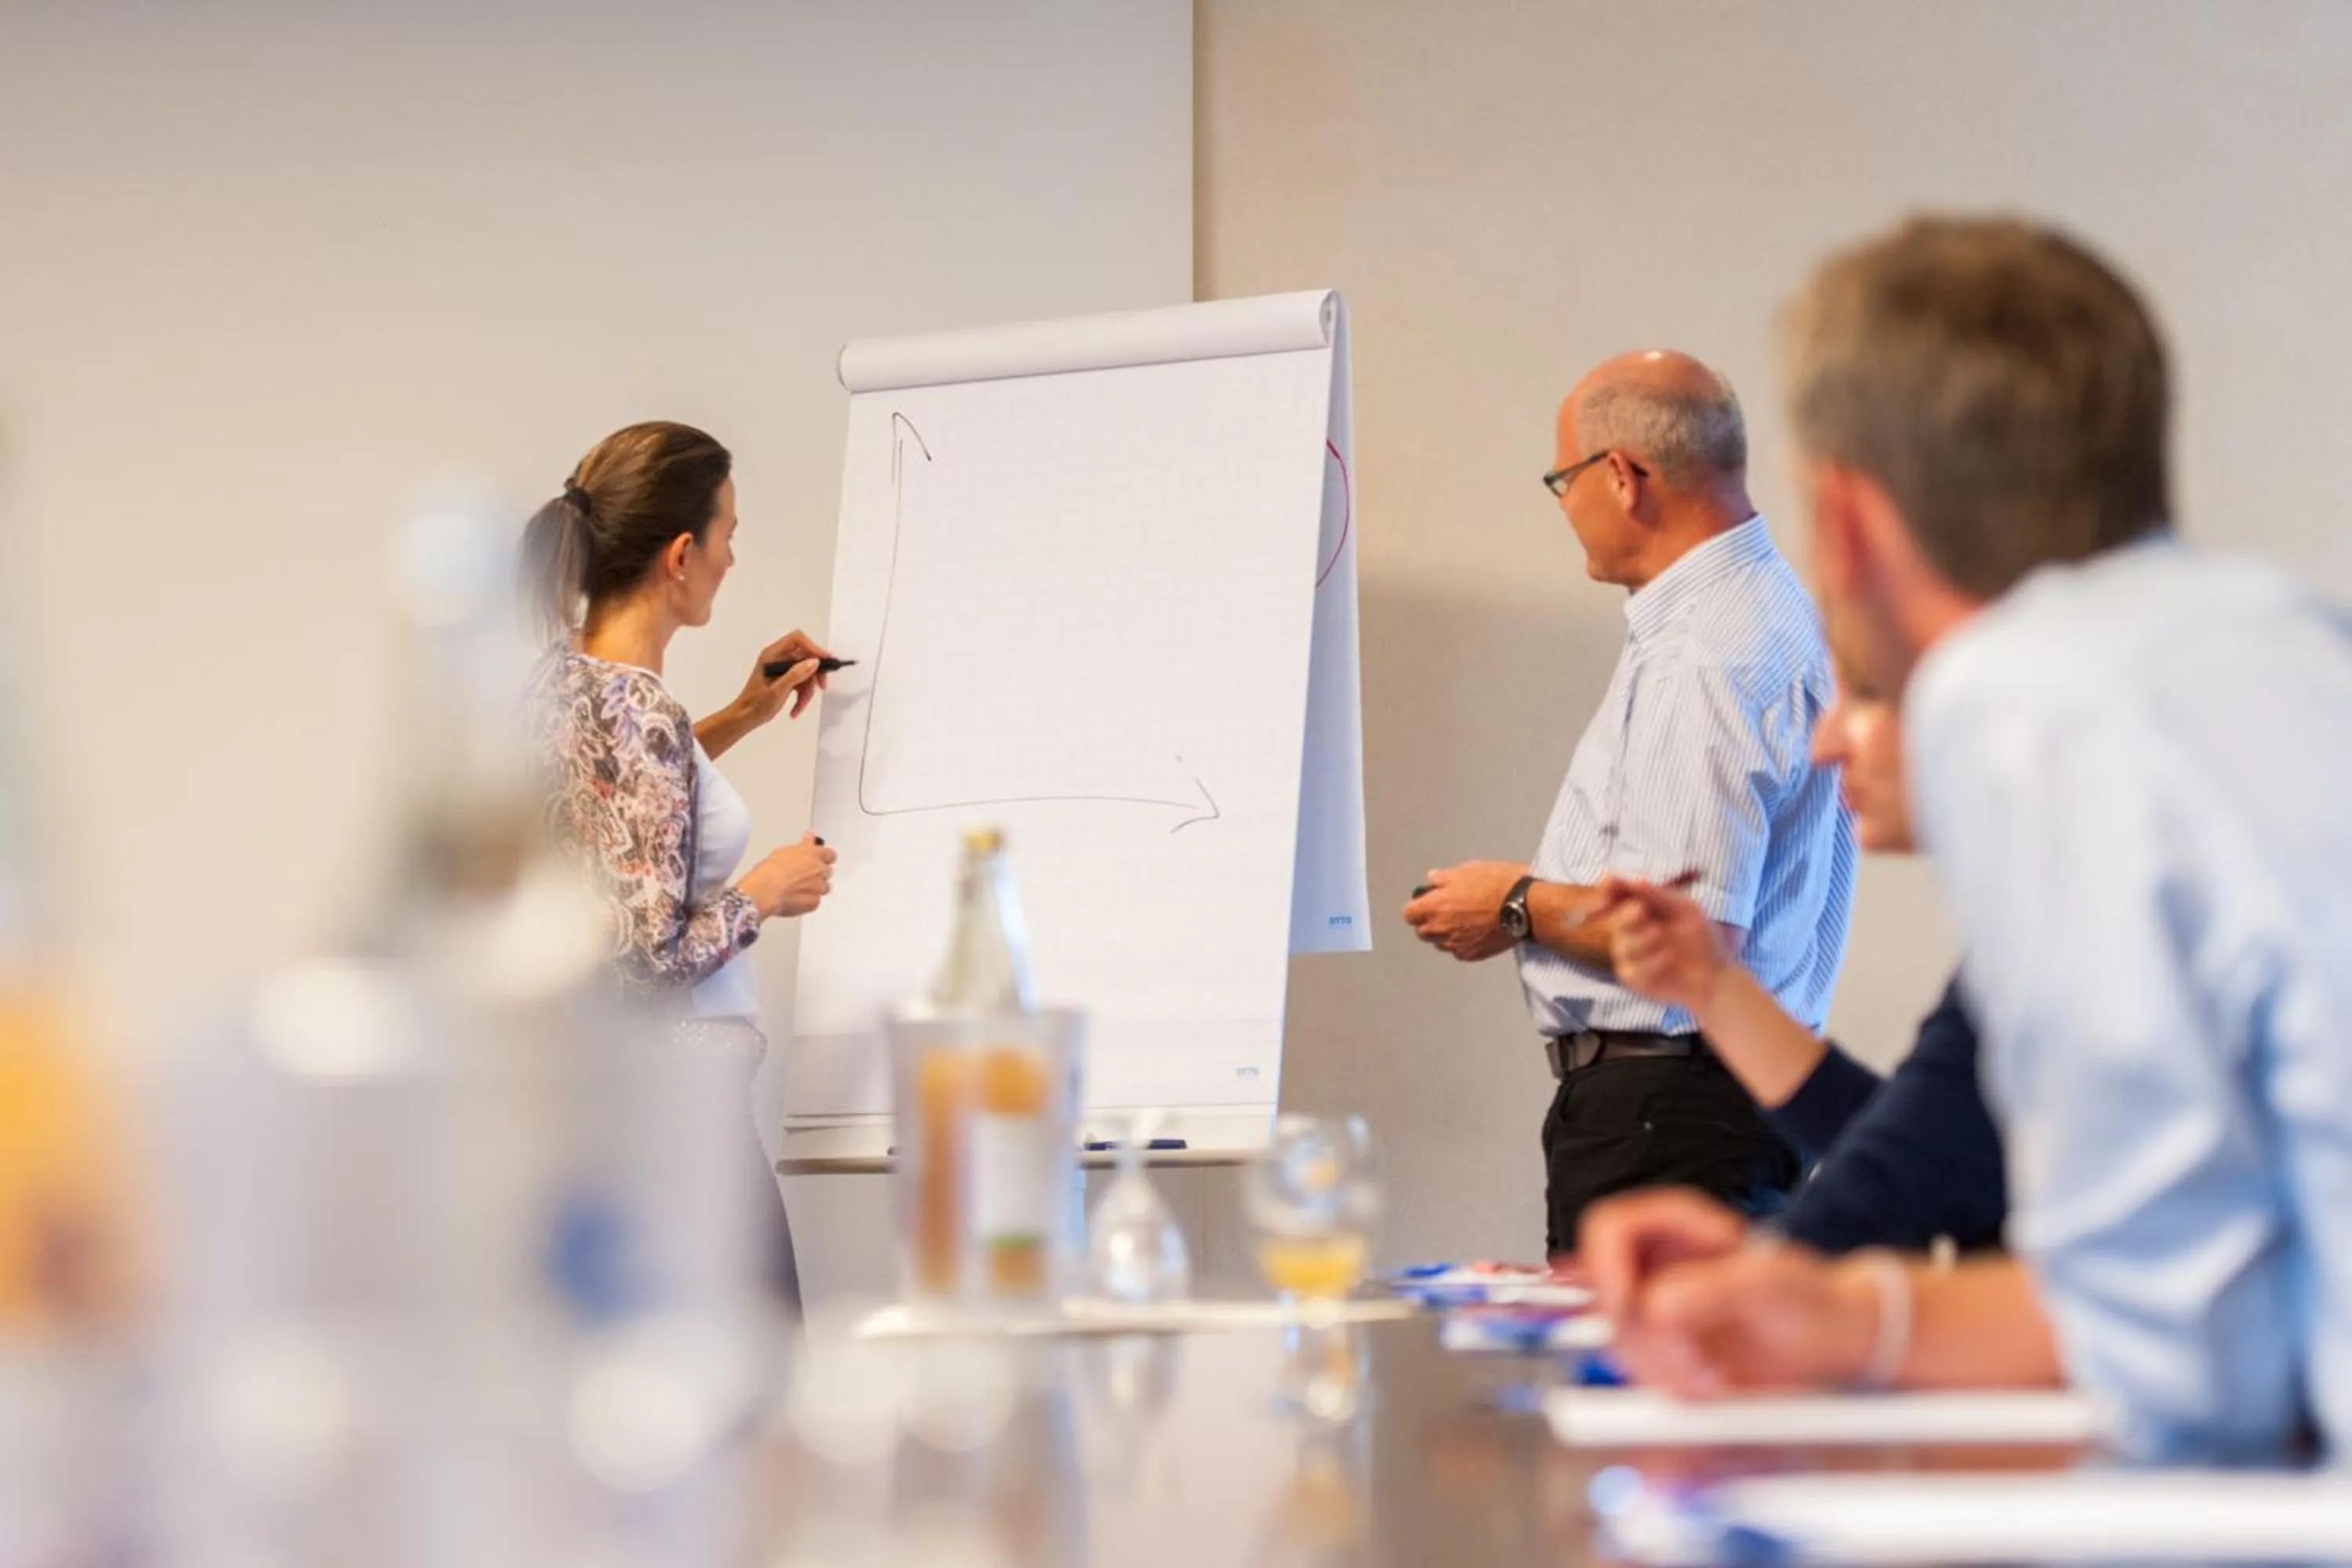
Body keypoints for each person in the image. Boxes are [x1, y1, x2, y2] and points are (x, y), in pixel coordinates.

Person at [1589, 216, 2352, 1465]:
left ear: (1840, 520)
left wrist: (1847, 1315)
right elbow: (2217, 1287)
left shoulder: (2028, 699)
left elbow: (2190, 1357)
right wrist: (1843, 1313)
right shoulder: (2284, 638)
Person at [1403, 351, 1856, 1253]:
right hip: (1700, 1109)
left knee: (1640, 1390)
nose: (1564, 505)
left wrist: (1517, 901)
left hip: (1669, 1117)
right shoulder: (1756, 610)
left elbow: (1687, 933)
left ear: (1621, 476)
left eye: (1562, 480)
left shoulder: (1706, 652)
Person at [524, 420, 837, 1313]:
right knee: (763, 1404)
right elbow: (645, 960)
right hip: (683, 1123)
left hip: (601, 1116)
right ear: (681, 553)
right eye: (728, 533)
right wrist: (766, 890)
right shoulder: (643, 709)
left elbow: (629, 814)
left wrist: (742, 711)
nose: (733, 558)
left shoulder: (564, 683)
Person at [1589, 609, 2005, 1258]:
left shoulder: (2076, 952)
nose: (1825, 744)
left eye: (1866, 696)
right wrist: (1707, 982)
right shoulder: (2025, 945)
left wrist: (1757, 1270)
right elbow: (1923, 1148)